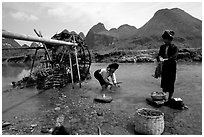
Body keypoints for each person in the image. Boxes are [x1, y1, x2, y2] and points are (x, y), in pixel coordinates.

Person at [156, 30, 179, 101]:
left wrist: (165, 59)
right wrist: (159, 58)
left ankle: (170, 97)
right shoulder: (162, 47)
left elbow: (174, 57)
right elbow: (159, 55)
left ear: (169, 39)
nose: (164, 40)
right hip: (164, 66)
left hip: (171, 66)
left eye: (165, 39)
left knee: (171, 81)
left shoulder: (174, 47)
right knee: (164, 81)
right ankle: (164, 96)